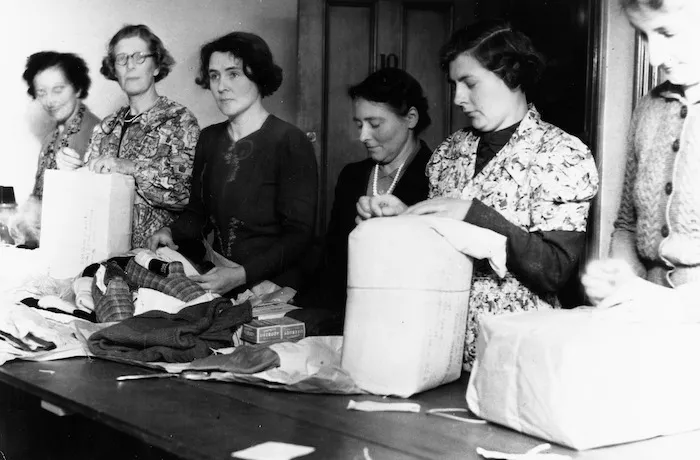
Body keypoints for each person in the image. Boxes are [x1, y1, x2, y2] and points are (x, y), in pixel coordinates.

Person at [357, 21, 599, 369]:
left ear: (512, 76)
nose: (457, 99)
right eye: (454, 85)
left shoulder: (561, 153)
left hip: (513, 353)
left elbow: (554, 270)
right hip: (437, 343)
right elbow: (439, 249)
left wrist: (473, 212)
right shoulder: (448, 152)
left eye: (469, 84)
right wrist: (403, 219)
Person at [146, 32, 317, 296]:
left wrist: (240, 275)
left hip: (275, 285)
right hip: (221, 278)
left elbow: (299, 237)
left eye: (233, 74)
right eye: (214, 76)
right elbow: (196, 214)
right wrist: (170, 231)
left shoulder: (290, 141)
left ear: (258, 76)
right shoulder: (209, 138)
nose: (221, 86)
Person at [582, 0, 700, 312]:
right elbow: (628, 224)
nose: (656, 58)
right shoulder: (649, 107)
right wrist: (616, 276)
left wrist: (663, 300)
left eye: (668, 33)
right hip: (646, 322)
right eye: (645, 36)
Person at [299, 68, 433, 312]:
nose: (363, 136)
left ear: (411, 118)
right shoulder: (352, 175)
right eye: (359, 124)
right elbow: (332, 256)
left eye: (375, 124)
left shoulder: (436, 176)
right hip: (342, 310)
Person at [85, 24, 200, 248]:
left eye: (139, 57)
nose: (130, 65)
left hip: (156, 256)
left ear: (156, 66)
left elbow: (184, 197)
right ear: (114, 70)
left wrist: (129, 167)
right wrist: (72, 169)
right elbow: (89, 191)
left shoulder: (179, 120)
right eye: (122, 59)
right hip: (103, 253)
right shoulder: (106, 127)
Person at [22, 51, 100, 199]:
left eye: (57, 90)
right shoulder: (50, 138)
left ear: (77, 88)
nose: (50, 100)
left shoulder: (98, 132)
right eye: (42, 92)